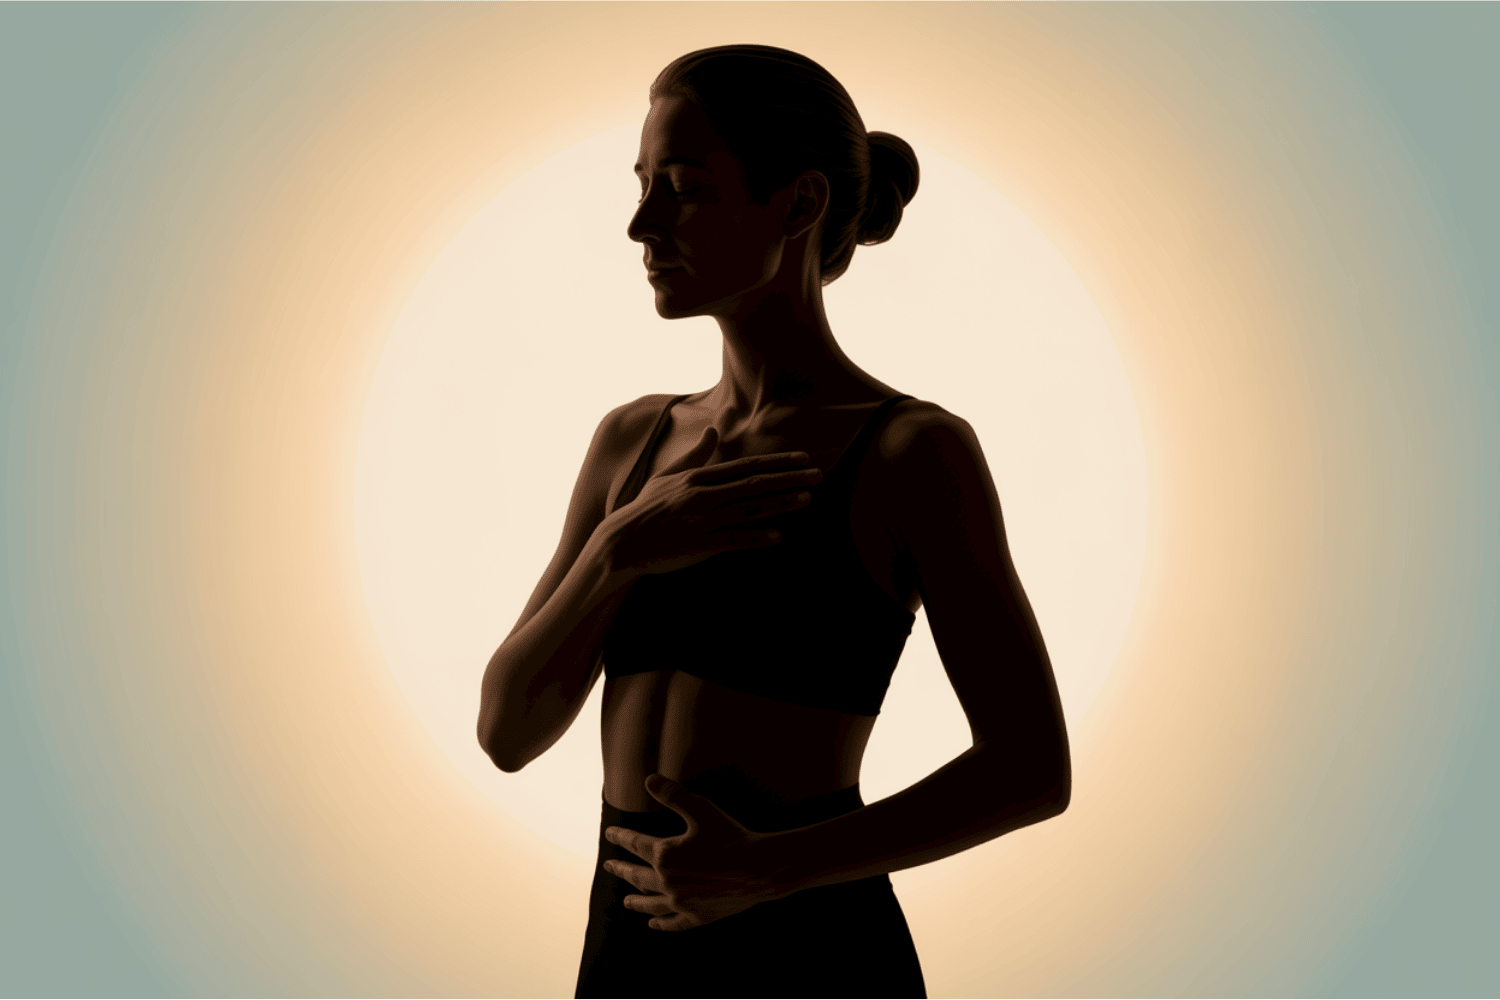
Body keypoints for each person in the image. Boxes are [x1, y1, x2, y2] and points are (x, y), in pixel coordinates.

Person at [476, 44, 1070, 1000]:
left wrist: (773, 868)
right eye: (642, 186)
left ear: (797, 204)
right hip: (624, 949)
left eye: (683, 187)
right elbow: (506, 732)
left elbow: (1032, 768)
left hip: (814, 951)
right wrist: (620, 551)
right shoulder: (632, 441)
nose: (641, 224)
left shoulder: (911, 452)